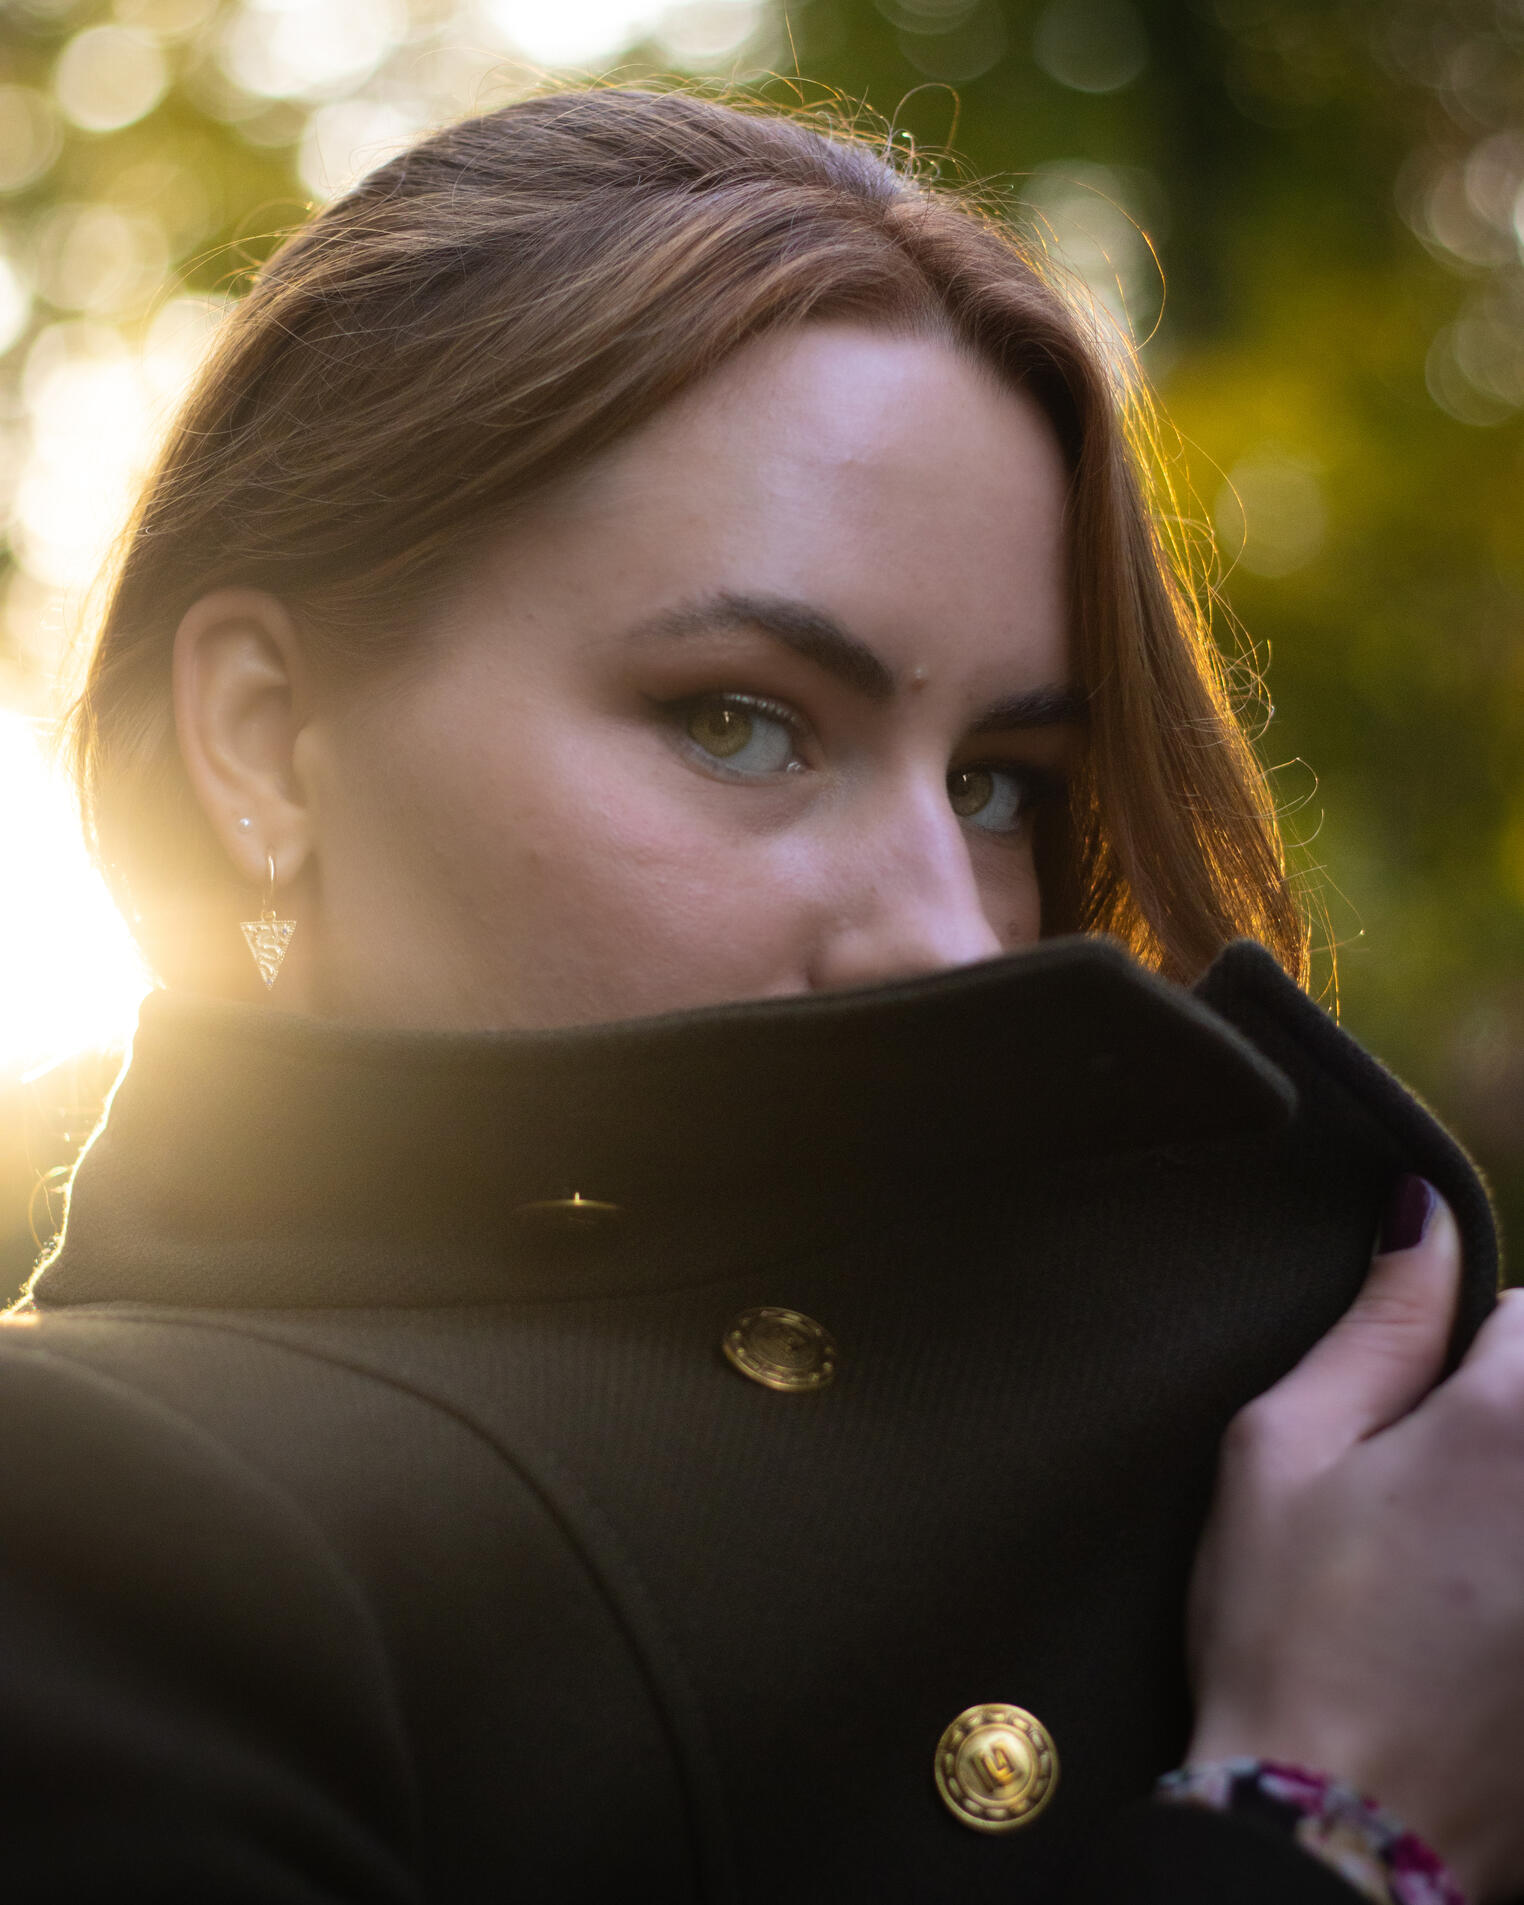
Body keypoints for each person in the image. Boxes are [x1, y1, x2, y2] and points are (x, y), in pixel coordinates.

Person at [3, 87, 1520, 1904]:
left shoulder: (1259, 1425)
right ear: (267, 739)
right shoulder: (80, 1519)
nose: (945, 934)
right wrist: (1329, 1820)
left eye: (999, 784)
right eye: (743, 722)